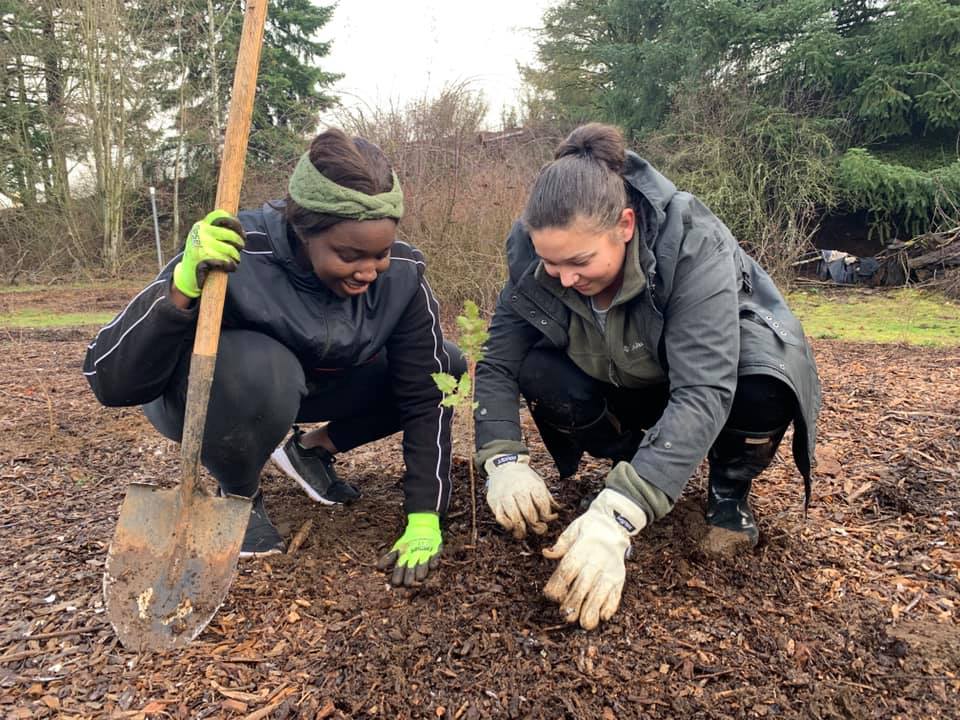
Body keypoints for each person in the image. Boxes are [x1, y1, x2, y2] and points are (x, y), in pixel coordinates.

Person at [474, 123, 821, 629]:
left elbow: (704, 389)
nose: (565, 278)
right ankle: (632, 466)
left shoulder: (692, 242)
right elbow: (500, 361)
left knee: (763, 383)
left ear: (626, 225)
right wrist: (502, 458)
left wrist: (617, 518)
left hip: (711, 376)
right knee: (538, 368)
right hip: (620, 376)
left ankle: (728, 489)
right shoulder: (533, 257)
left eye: (579, 261)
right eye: (552, 263)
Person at [83, 129, 464, 587]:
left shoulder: (402, 275)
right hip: (213, 397)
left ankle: (310, 452)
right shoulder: (236, 252)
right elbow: (111, 382)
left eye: (380, 253)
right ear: (304, 231)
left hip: (315, 389)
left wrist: (425, 515)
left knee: (447, 366)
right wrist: (182, 289)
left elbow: (425, 397)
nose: (368, 271)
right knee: (262, 367)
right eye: (348, 254)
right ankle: (238, 493)